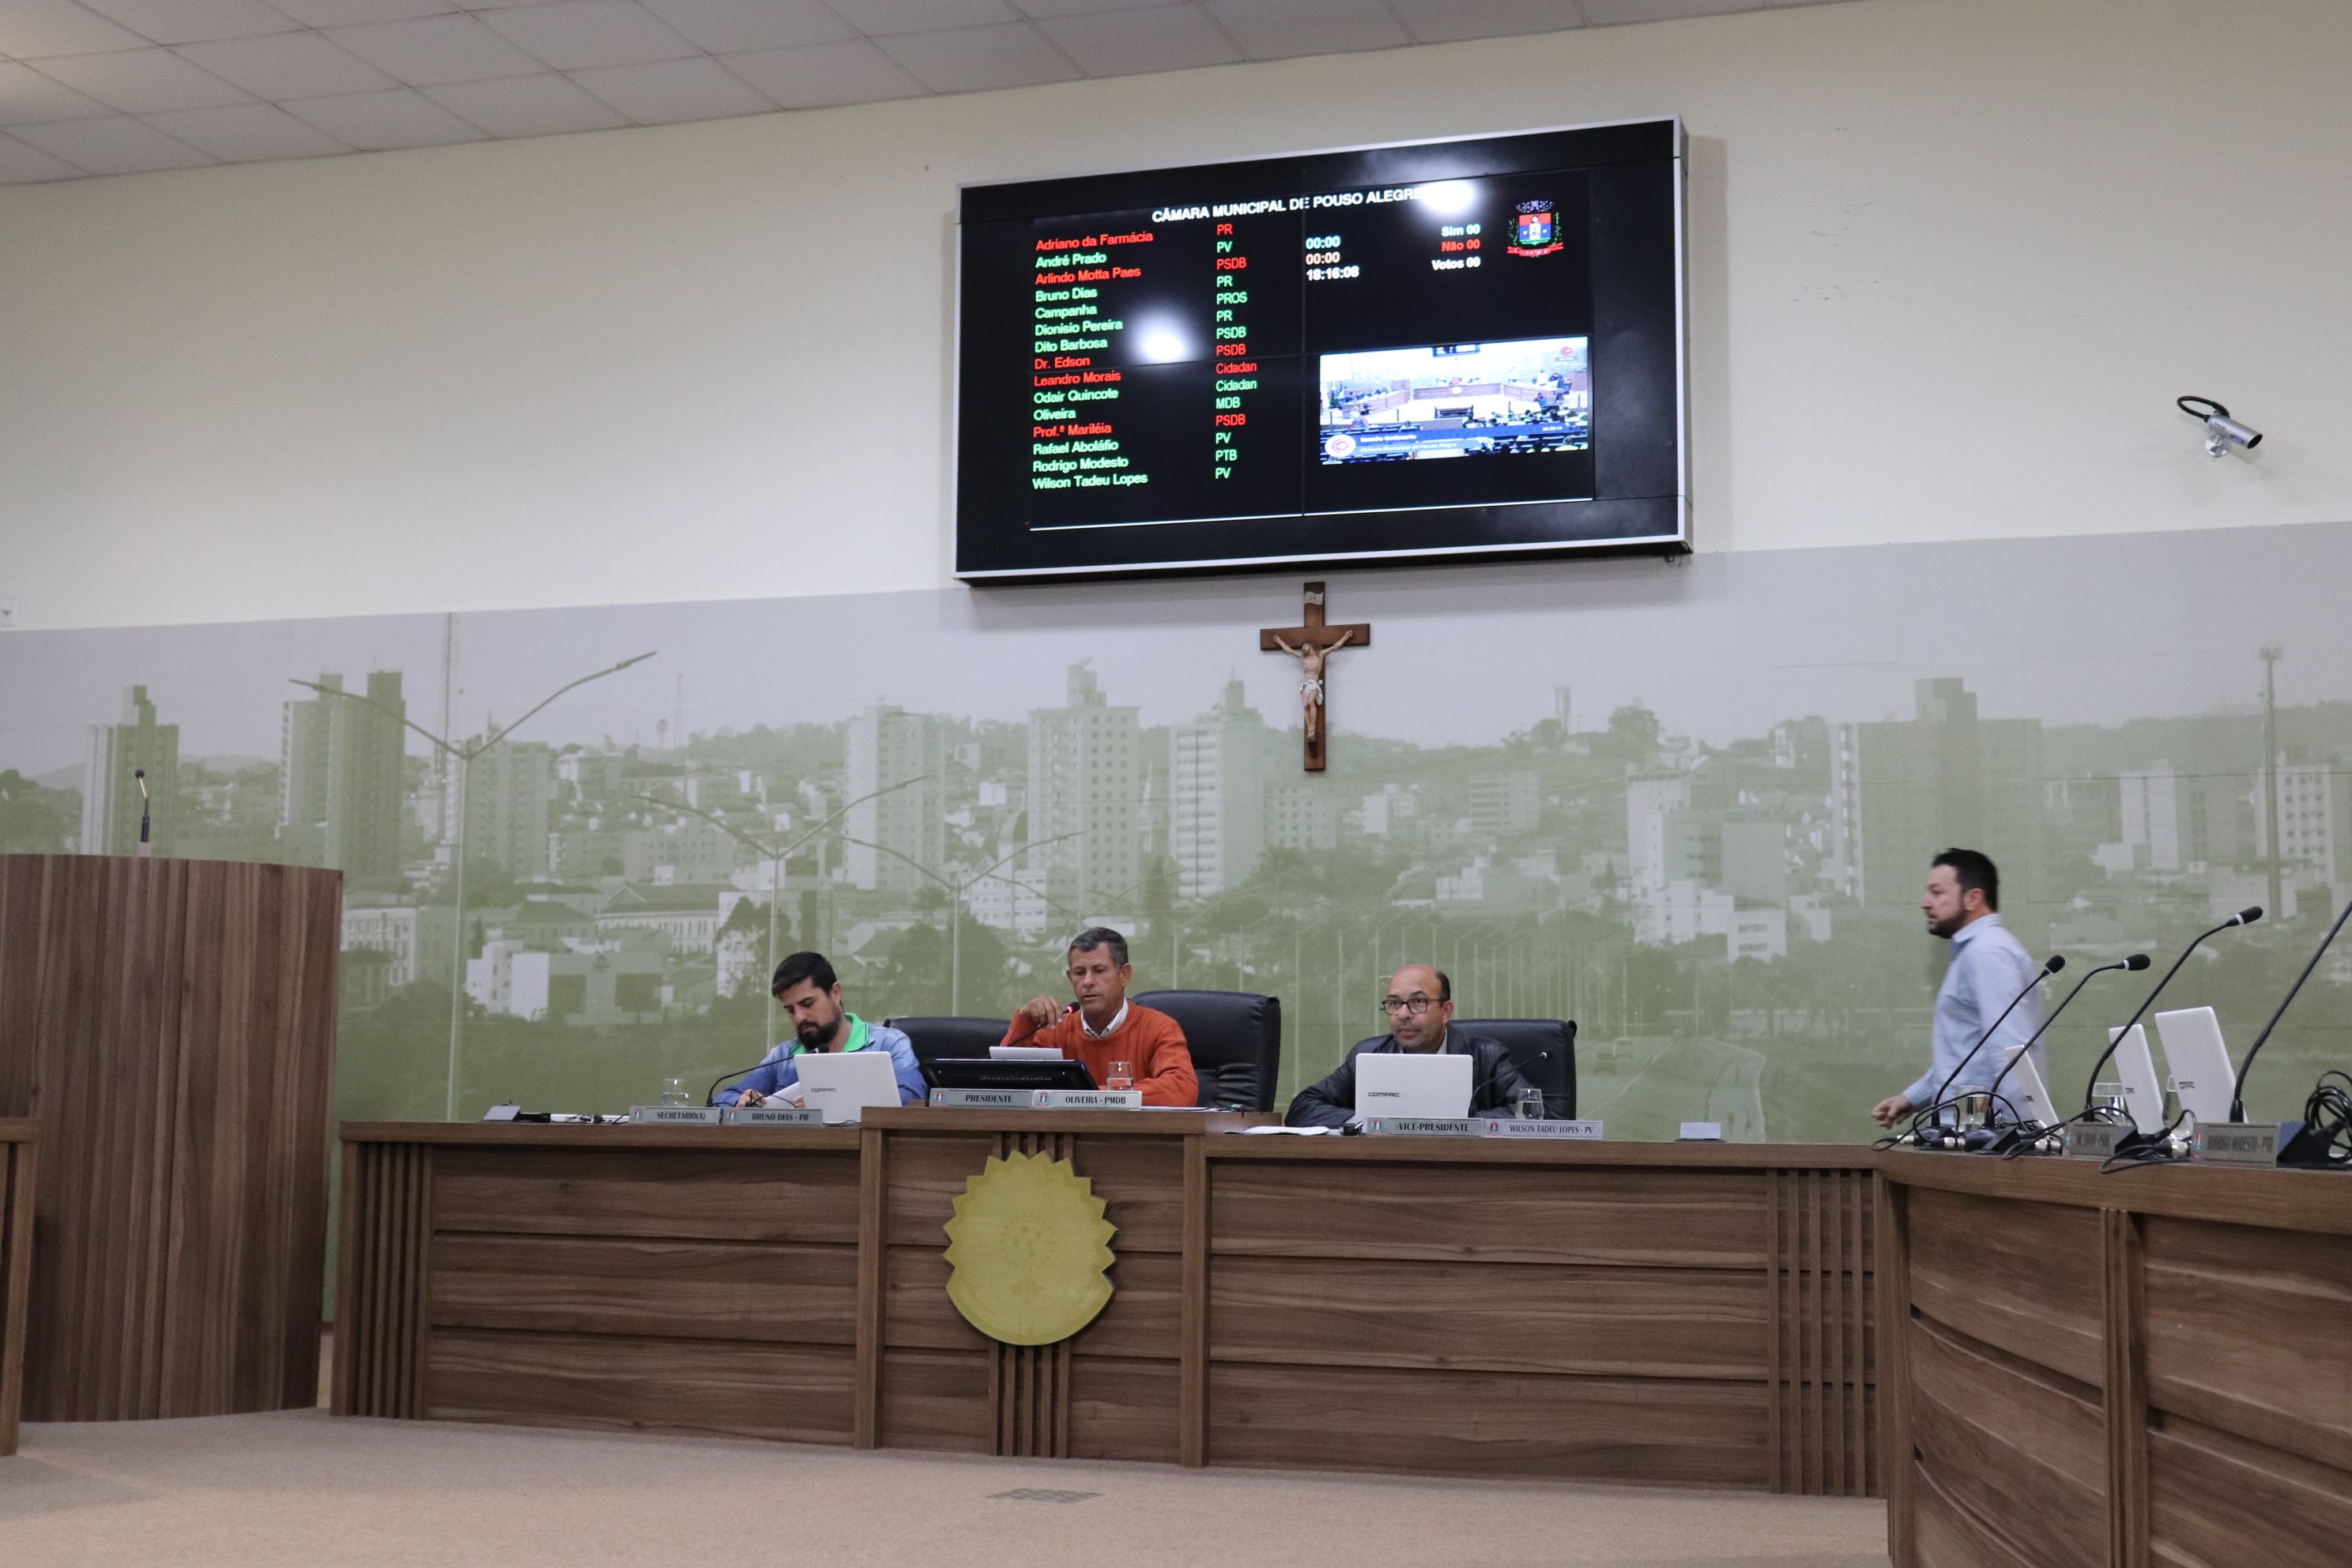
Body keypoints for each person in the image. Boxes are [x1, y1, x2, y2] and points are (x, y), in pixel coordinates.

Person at [1871, 849, 2045, 1129]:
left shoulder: (1988, 954)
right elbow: (1966, 1052)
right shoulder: (1975, 951)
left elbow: (2010, 1052)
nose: (1925, 903)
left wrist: (2015, 1137)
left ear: (1973, 898)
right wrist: (1912, 1097)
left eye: (1937, 893)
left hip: (1982, 1140)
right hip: (1967, 1134)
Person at [1286, 963, 1543, 1128]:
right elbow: (1303, 1108)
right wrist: (1368, 1123)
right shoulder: (1368, 1056)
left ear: (1445, 1011)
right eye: (1395, 1003)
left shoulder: (1487, 1057)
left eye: (1418, 1002)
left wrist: (1462, 1127)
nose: (1403, 1014)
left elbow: (1534, 1115)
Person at [1004, 926, 1197, 1106]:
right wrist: (1025, 1022)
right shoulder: (1053, 1029)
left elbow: (1182, 1090)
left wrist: (1088, 1096)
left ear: (1124, 975)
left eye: (1099, 971)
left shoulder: (1159, 1028)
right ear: (1071, 978)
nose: (1088, 982)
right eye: (1080, 973)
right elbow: (1002, 1087)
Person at [716, 951, 925, 1108]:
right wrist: (740, 1102)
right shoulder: (784, 1057)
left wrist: (835, 1103)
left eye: (807, 1004)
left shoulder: (887, 1045)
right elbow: (722, 1101)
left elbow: (913, 1099)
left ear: (835, 993)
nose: (799, 1017)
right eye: (790, 1010)